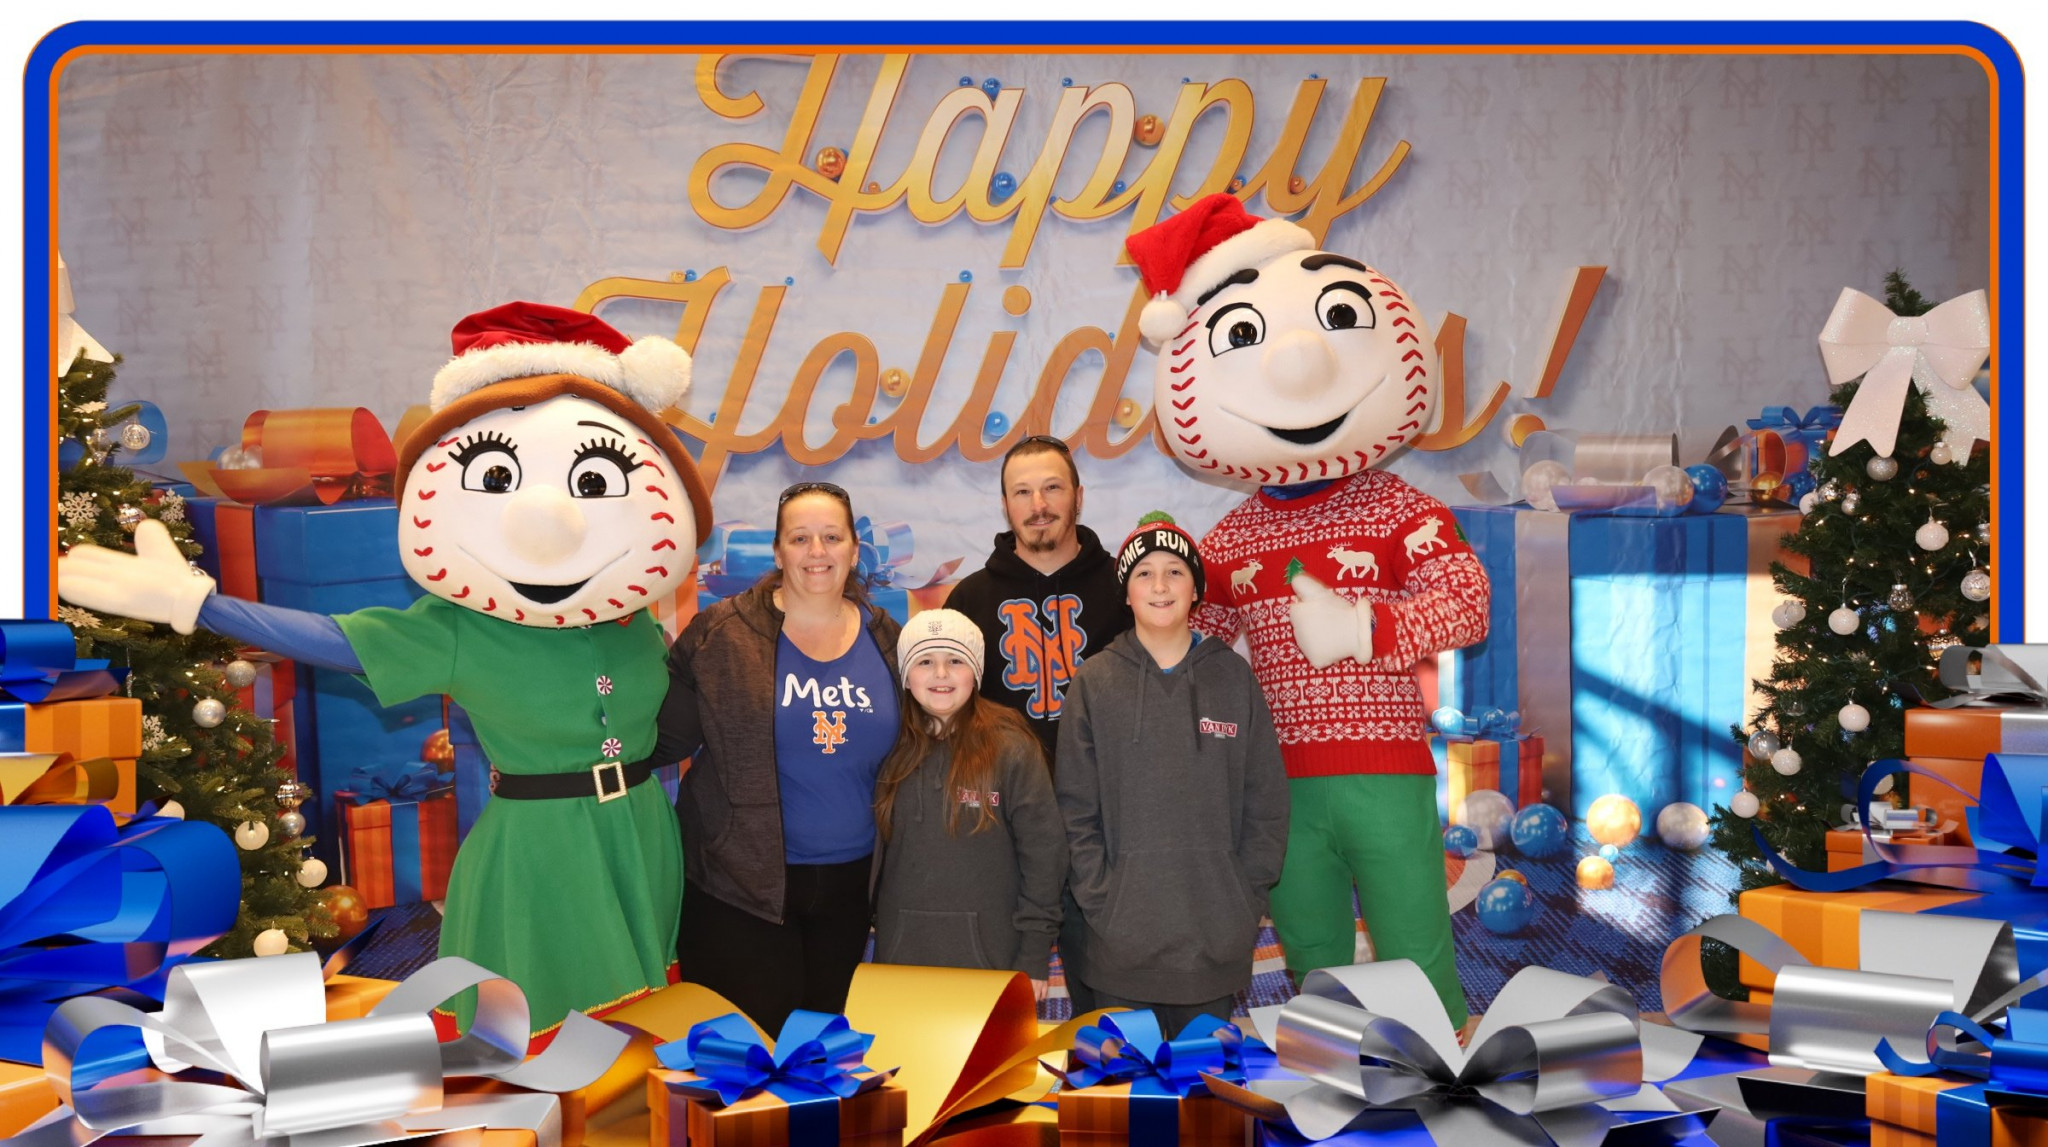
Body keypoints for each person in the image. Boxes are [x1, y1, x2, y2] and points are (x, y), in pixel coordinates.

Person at [58, 302, 710, 1048]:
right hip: (540, 847)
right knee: (550, 1016)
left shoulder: (632, 619)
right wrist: (200, 603)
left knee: (641, 1014)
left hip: (637, 829)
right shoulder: (461, 628)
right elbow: (332, 640)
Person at [1126, 193, 1491, 1026]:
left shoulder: (1401, 510)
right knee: (1313, 953)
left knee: (1416, 946)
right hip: (1278, 780)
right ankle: (1332, 1067)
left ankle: (1442, 1067)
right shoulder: (1231, 538)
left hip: (1386, 769)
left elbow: (1467, 604)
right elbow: (1190, 647)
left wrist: (1366, 628)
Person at [647, 480, 901, 1033]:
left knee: (827, 1054)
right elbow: (661, 742)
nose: (817, 551)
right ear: (778, 551)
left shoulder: (888, 639)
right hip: (740, 892)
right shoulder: (723, 634)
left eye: (832, 537)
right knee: (747, 1062)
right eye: (800, 538)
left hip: (850, 891)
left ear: (855, 549)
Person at [1055, 513, 1290, 1036]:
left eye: (1175, 572)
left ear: (1196, 589)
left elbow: (1267, 803)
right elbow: (1074, 810)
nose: (1160, 586)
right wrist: (1103, 903)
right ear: (1126, 592)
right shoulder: (1094, 681)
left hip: (1212, 949)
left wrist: (1241, 900)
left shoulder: (1233, 677)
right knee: (1126, 1087)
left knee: (1202, 1087)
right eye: (1144, 573)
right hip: (1119, 952)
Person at [870, 609, 1065, 1003]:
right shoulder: (885, 747)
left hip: (994, 961)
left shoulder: (1011, 747)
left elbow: (1045, 855)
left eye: (955, 661)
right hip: (900, 961)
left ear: (975, 672)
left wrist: (1033, 953)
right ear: (906, 676)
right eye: (925, 662)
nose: (941, 674)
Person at [945, 435, 1132, 771]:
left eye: (1052, 488)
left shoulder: (1128, 589)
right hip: (1006, 793)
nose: (1038, 505)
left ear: (1078, 497)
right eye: (1022, 492)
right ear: (1005, 505)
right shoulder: (968, 601)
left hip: (1111, 790)